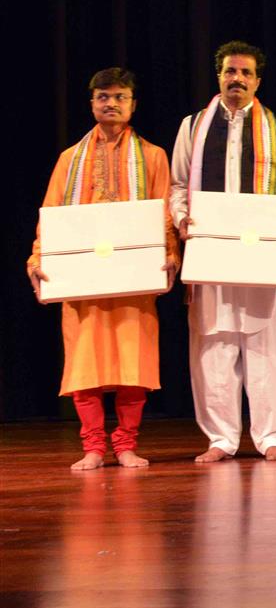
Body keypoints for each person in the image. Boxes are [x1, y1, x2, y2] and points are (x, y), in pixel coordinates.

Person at [29, 68, 178, 470]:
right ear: (92, 103)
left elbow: (165, 214)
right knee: (85, 366)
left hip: (134, 278)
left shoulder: (152, 156)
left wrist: (170, 254)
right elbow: (52, 213)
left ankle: (126, 444)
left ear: (132, 104)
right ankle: (93, 447)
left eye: (120, 97)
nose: (111, 103)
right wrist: (38, 257)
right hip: (84, 279)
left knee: (134, 364)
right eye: (103, 97)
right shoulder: (70, 159)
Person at [170, 41, 276, 462]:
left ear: (257, 81)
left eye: (246, 73)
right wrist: (181, 218)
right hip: (209, 252)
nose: (237, 79)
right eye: (230, 71)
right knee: (213, 342)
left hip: (261, 254)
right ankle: (221, 438)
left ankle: (274, 436)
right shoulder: (194, 125)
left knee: (267, 342)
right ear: (219, 76)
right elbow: (176, 186)